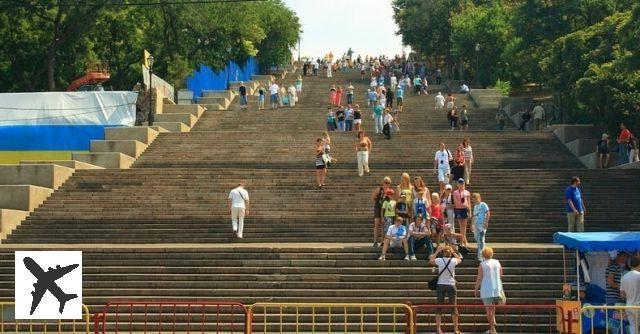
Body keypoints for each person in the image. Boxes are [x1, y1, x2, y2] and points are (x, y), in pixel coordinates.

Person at [429, 245, 462, 334]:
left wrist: (436, 251)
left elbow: (431, 261)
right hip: (451, 284)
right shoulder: (453, 260)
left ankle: (438, 329)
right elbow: (460, 259)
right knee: (453, 307)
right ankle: (456, 329)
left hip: (440, 284)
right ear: (450, 253)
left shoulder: (439, 260)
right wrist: (454, 252)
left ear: (443, 253)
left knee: (439, 307)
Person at [474, 247, 505, 334]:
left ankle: (492, 329)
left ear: (483, 255)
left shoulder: (482, 264)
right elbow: (501, 274)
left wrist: (476, 289)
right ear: (491, 254)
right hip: (496, 288)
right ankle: (493, 321)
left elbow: (479, 278)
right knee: (492, 306)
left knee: (488, 310)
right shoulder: (497, 262)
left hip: (486, 289)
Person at [620, 255, 640, 334]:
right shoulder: (639, 276)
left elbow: (622, 295)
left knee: (633, 327)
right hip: (638, 305)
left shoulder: (624, 277)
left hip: (629, 306)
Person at [372, 177, 393, 247]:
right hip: (378, 208)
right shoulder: (379, 189)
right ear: (383, 182)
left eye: (388, 183)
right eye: (385, 182)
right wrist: (378, 202)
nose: (387, 184)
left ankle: (382, 241)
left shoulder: (390, 191)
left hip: (386, 210)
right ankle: (375, 241)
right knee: (376, 224)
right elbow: (372, 197)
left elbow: (392, 200)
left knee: (383, 225)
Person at [471, 193, 490, 261]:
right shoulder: (475, 206)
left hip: (482, 224)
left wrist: (486, 222)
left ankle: (481, 256)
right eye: (474, 199)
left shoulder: (483, 204)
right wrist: (472, 224)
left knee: (481, 239)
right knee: (477, 238)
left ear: (479, 198)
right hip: (476, 224)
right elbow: (474, 216)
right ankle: (481, 253)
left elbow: (488, 213)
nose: (475, 200)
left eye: (476, 199)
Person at [453, 178, 471, 246]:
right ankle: (463, 241)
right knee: (461, 226)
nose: (461, 185)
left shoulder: (467, 192)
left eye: (462, 183)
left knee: (464, 226)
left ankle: (463, 241)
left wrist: (470, 210)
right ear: (458, 184)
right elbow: (456, 202)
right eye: (460, 183)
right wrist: (464, 205)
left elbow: (469, 202)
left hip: (465, 209)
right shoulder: (455, 192)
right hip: (459, 209)